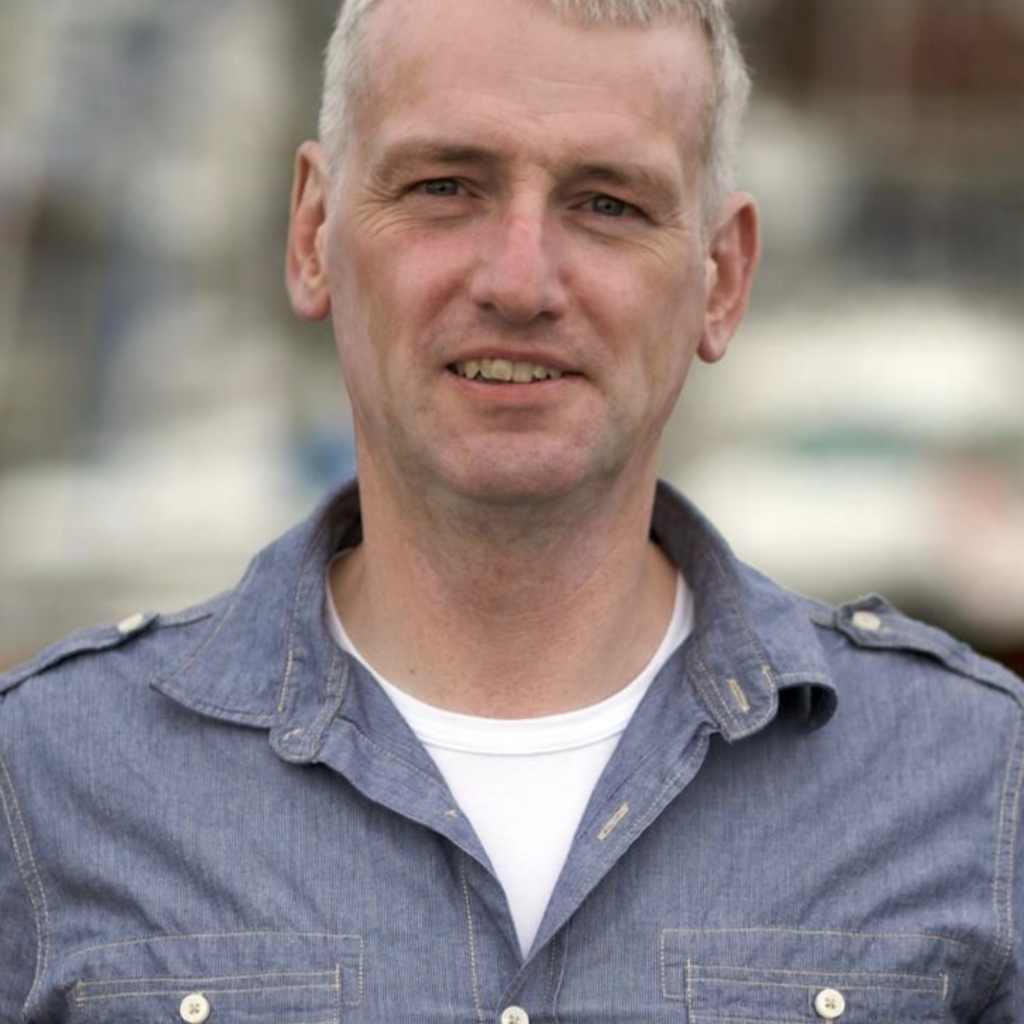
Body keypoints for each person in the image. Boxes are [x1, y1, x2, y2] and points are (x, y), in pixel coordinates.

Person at [1, 0, 1021, 1019]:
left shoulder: (975, 785)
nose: (520, 282)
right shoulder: (44, 782)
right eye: (444, 187)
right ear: (313, 233)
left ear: (722, 277)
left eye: (608, 203)